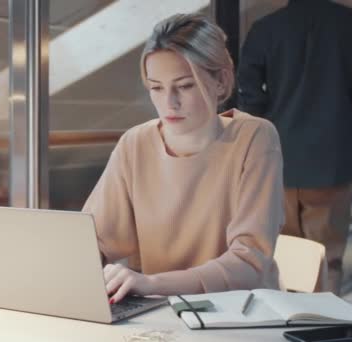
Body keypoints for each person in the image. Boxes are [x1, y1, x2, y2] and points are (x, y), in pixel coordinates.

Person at [82, 13, 285, 304]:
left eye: (185, 85)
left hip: (242, 311)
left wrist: (151, 283)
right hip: (161, 312)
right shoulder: (134, 143)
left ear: (221, 81)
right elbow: (96, 240)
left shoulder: (256, 138)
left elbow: (248, 263)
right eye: (156, 87)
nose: (169, 102)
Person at [237, 0, 352, 294]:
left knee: (282, 256)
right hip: (331, 160)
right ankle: (324, 328)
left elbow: (249, 95)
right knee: (328, 258)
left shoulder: (265, 28)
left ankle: (286, 328)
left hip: (277, 161)